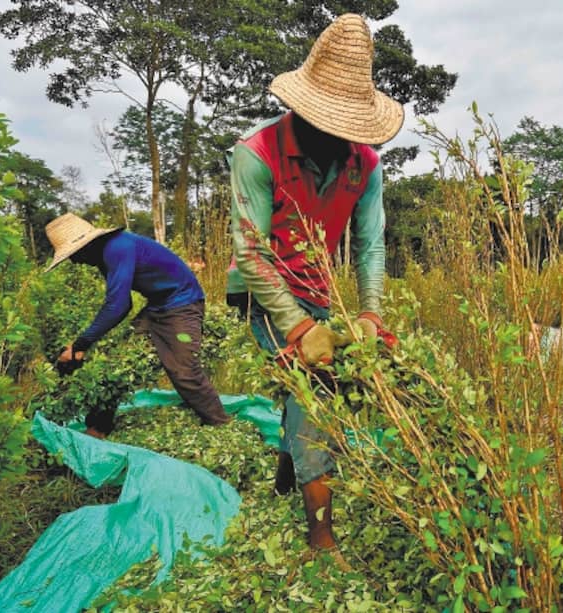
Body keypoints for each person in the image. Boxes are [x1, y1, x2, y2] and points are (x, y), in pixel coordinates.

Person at [227, 13, 402, 563]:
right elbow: (251, 251)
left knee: (315, 384)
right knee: (314, 388)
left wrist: (370, 315)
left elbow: (370, 246)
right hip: (260, 289)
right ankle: (321, 540)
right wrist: (299, 327)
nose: (337, 135)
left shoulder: (365, 164)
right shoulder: (257, 153)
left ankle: (287, 475)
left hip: (317, 287)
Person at [46, 213, 232, 437]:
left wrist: (80, 344)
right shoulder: (105, 255)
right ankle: (98, 427)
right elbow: (123, 305)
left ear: (85, 246)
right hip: (157, 306)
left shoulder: (117, 248)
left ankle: (221, 426)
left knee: (184, 371)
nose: (75, 261)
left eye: (73, 255)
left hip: (183, 304)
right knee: (118, 364)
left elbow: (117, 305)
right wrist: (81, 345)